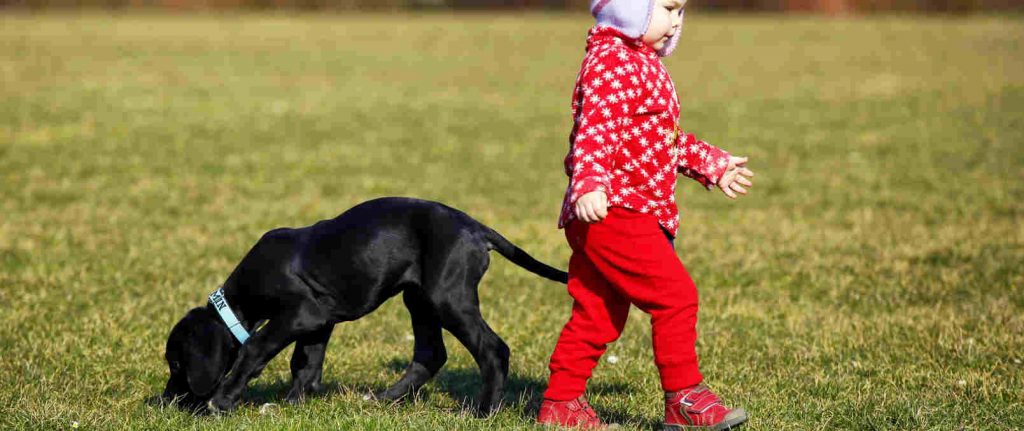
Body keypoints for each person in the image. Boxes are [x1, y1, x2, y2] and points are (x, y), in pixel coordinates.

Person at [537, 0, 755, 429]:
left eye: (680, 11)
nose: (676, 21)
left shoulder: (643, 62)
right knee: (676, 297)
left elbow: (663, 139)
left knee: (597, 311)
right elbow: (595, 130)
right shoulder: (612, 64)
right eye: (667, 8)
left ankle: (560, 405)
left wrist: (712, 164)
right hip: (613, 210)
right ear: (628, 11)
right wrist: (589, 184)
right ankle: (684, 398)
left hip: (625, 210)